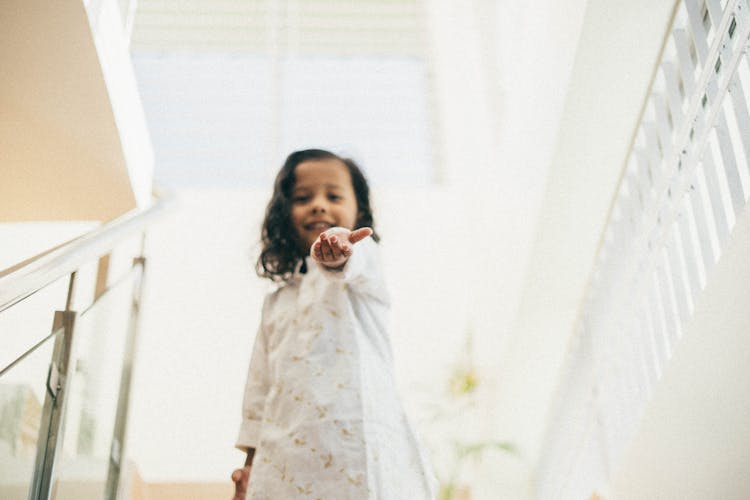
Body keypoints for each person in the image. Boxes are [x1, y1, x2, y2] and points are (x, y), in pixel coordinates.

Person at [231, 149, 438, 499]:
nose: (318, 205)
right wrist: (251, 463)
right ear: (284, 214)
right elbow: (259, 387)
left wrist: (343, 248)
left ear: (359, 211)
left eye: (334, 195)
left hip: (358, 443)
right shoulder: (276, 303)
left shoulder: (363, 274)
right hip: (287, 454)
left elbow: (354, 258)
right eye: (302, 197)